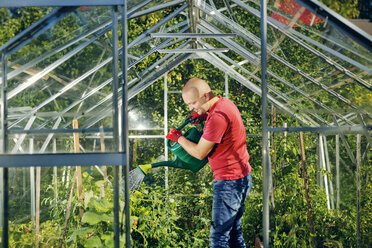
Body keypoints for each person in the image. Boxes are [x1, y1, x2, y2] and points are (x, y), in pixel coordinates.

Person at [166, 77, 252, 248]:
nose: (191, 108)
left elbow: (199, 153)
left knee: (218, 238)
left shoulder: (217, 117)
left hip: (229, 182)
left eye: (193, 103)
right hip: (241, 177)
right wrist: (204, 116)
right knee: (234, 234)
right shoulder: (224, 104)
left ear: (205, 96)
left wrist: (178, 138)